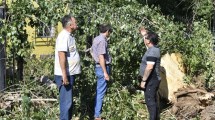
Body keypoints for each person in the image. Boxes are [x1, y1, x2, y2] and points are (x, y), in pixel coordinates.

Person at [54, 15, 81, 120]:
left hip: (69, 74)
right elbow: (62, 57)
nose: (76, 23)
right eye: (75, 22)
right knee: (66, 104)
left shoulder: (69, 36)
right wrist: (64, 76)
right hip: (64, 75)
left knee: (69, 104)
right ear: (70, 25)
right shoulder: (63, 37)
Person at [139, 27, 161, 120]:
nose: (144, 40)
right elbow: (148, 43)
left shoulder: (152, 51)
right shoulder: (153, 49)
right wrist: (144, 34)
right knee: (153, 100)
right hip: (152, 79)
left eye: (146, 38)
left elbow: (149, 67)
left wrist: (143, 81)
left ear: (149, 41)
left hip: (151, 80)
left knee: (150, 102)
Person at [91, 24, 112, 120]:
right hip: (102, 68)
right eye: (110, 32)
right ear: (107, 31)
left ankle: (97, 113)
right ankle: (97, 115)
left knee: (99, 90)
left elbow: (92, 52)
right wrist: (105, 72)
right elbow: (101, 57)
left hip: (99, 67)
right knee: (101, 92)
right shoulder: (102, 40)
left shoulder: (96, 39)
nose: (110, 34)